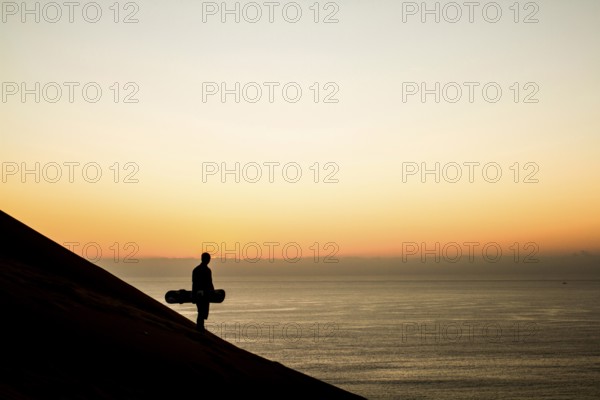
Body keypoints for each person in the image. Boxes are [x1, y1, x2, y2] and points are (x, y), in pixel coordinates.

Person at [192, 252, 214, 332]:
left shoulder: (196, 269)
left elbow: (194, 283)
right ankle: (200, 327)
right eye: (208, 259)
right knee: (202, 311)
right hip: (204, 294)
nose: (208, 261)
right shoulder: (207, 270)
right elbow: (209, 283)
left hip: (198, 293)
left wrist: (194, 295)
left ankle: (200, 326)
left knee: (201, 311)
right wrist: (213, 292)